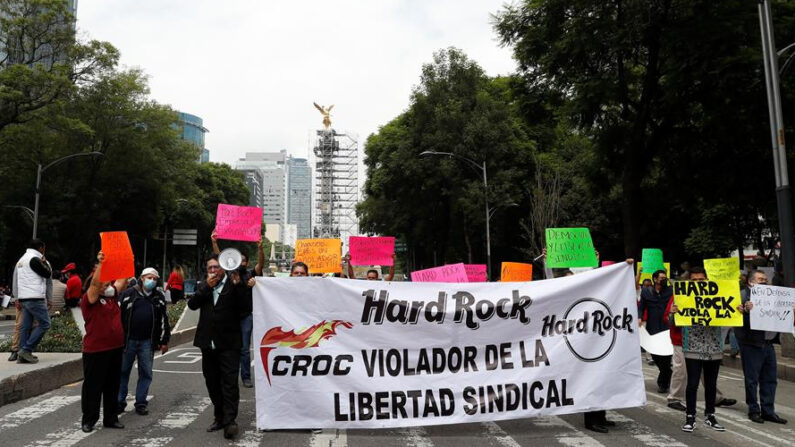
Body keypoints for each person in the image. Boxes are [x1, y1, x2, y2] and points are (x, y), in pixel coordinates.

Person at [188, 256, 249, 440]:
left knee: (229, 383)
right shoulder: (203, 286)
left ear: (223, 268)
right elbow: (192, 305)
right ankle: (219, 416)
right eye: (210, 267)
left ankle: (230, 421)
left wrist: (239, 286)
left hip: (229, 343)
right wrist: (207, 286)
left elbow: (246, 307)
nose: (213, 270)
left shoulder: (234, 283)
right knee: (212, 382)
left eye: (216, 267)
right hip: (208, 344)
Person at [670, 267, 734, 433]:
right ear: (689, 283)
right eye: (694, 281)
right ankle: (690, 417)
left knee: (711, 385)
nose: (698, 283)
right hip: (692, 346)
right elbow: (673, 322)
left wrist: (740, 310)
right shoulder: (682, 298)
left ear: (707, 281)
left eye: (701, 280)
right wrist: (673, 313)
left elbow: (731, 313)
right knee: (692, 384)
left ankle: (710, 415)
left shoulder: (718, 296)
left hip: (714, 347)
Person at [80, 251, 126, 433]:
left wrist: (124, 261)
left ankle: (111, 418)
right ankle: (89, 420)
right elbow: (95, 284)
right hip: (96, 350)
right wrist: (101, 263)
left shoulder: (111, 296)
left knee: (112, 385)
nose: (107, 282)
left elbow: (122, 281)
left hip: (115, 348)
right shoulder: (89, 299)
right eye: (105, 280)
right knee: (93, 386)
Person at [211, 231, 264, 388]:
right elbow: (219, 258)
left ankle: (246, 377)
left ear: (247, 263)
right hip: (229, 317)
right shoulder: (228, 273)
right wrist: (214, 242)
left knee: (244, 349)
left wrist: (260, 248)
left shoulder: (251, 275)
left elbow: (261, 264)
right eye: (237, 260)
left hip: (246, 317)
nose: (240, 262)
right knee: (227, 348)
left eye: (243, 260)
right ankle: (227, 375)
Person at [735, 270, 788, 424]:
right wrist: (745, 311)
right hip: (751, 344)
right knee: (752, 380)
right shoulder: (742, 296)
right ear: (751, 282)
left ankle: (768, 411)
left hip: (768, 343)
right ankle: (753, 410)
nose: (765, 281)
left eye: (766, 279)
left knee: (770, 379)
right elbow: (734, 320)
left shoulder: (774, 296)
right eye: (761, 279)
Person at [117, 267, 170, 416]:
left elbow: (164, 320)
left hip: (148, 341)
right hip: (128, 341)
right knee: (122, 372)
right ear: (141, 278)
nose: (151, 281)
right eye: (149, 278)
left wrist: (164, 340)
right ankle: (119, 401)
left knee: (146, 373)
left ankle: (141, 403)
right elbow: (118, 317)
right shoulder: (128, 294)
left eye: (154, 279)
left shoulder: (158, 297)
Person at [11, 239, 52, 364]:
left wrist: (16, 297)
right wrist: (45, 263)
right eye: (43, 248)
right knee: (45, 324)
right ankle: (26, 349)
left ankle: (22, 355)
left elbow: (15, 279)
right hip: (35, 297)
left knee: (26, 326)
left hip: (24, 298)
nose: (44, 251)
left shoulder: (21, 260)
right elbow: (47, 273)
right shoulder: (35, 259)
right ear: (40, 248)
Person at [638, 270, 673, 393]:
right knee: (655, 355)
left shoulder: (670, 291)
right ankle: (667, 372)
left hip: (667, 328)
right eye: (661, 278)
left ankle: (663, 383)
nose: (663, 280)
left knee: (666, 356)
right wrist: (639, 317)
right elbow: (641, 307)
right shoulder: (647, 291)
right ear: (655, 279)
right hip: (652, 327)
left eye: (665, 278)